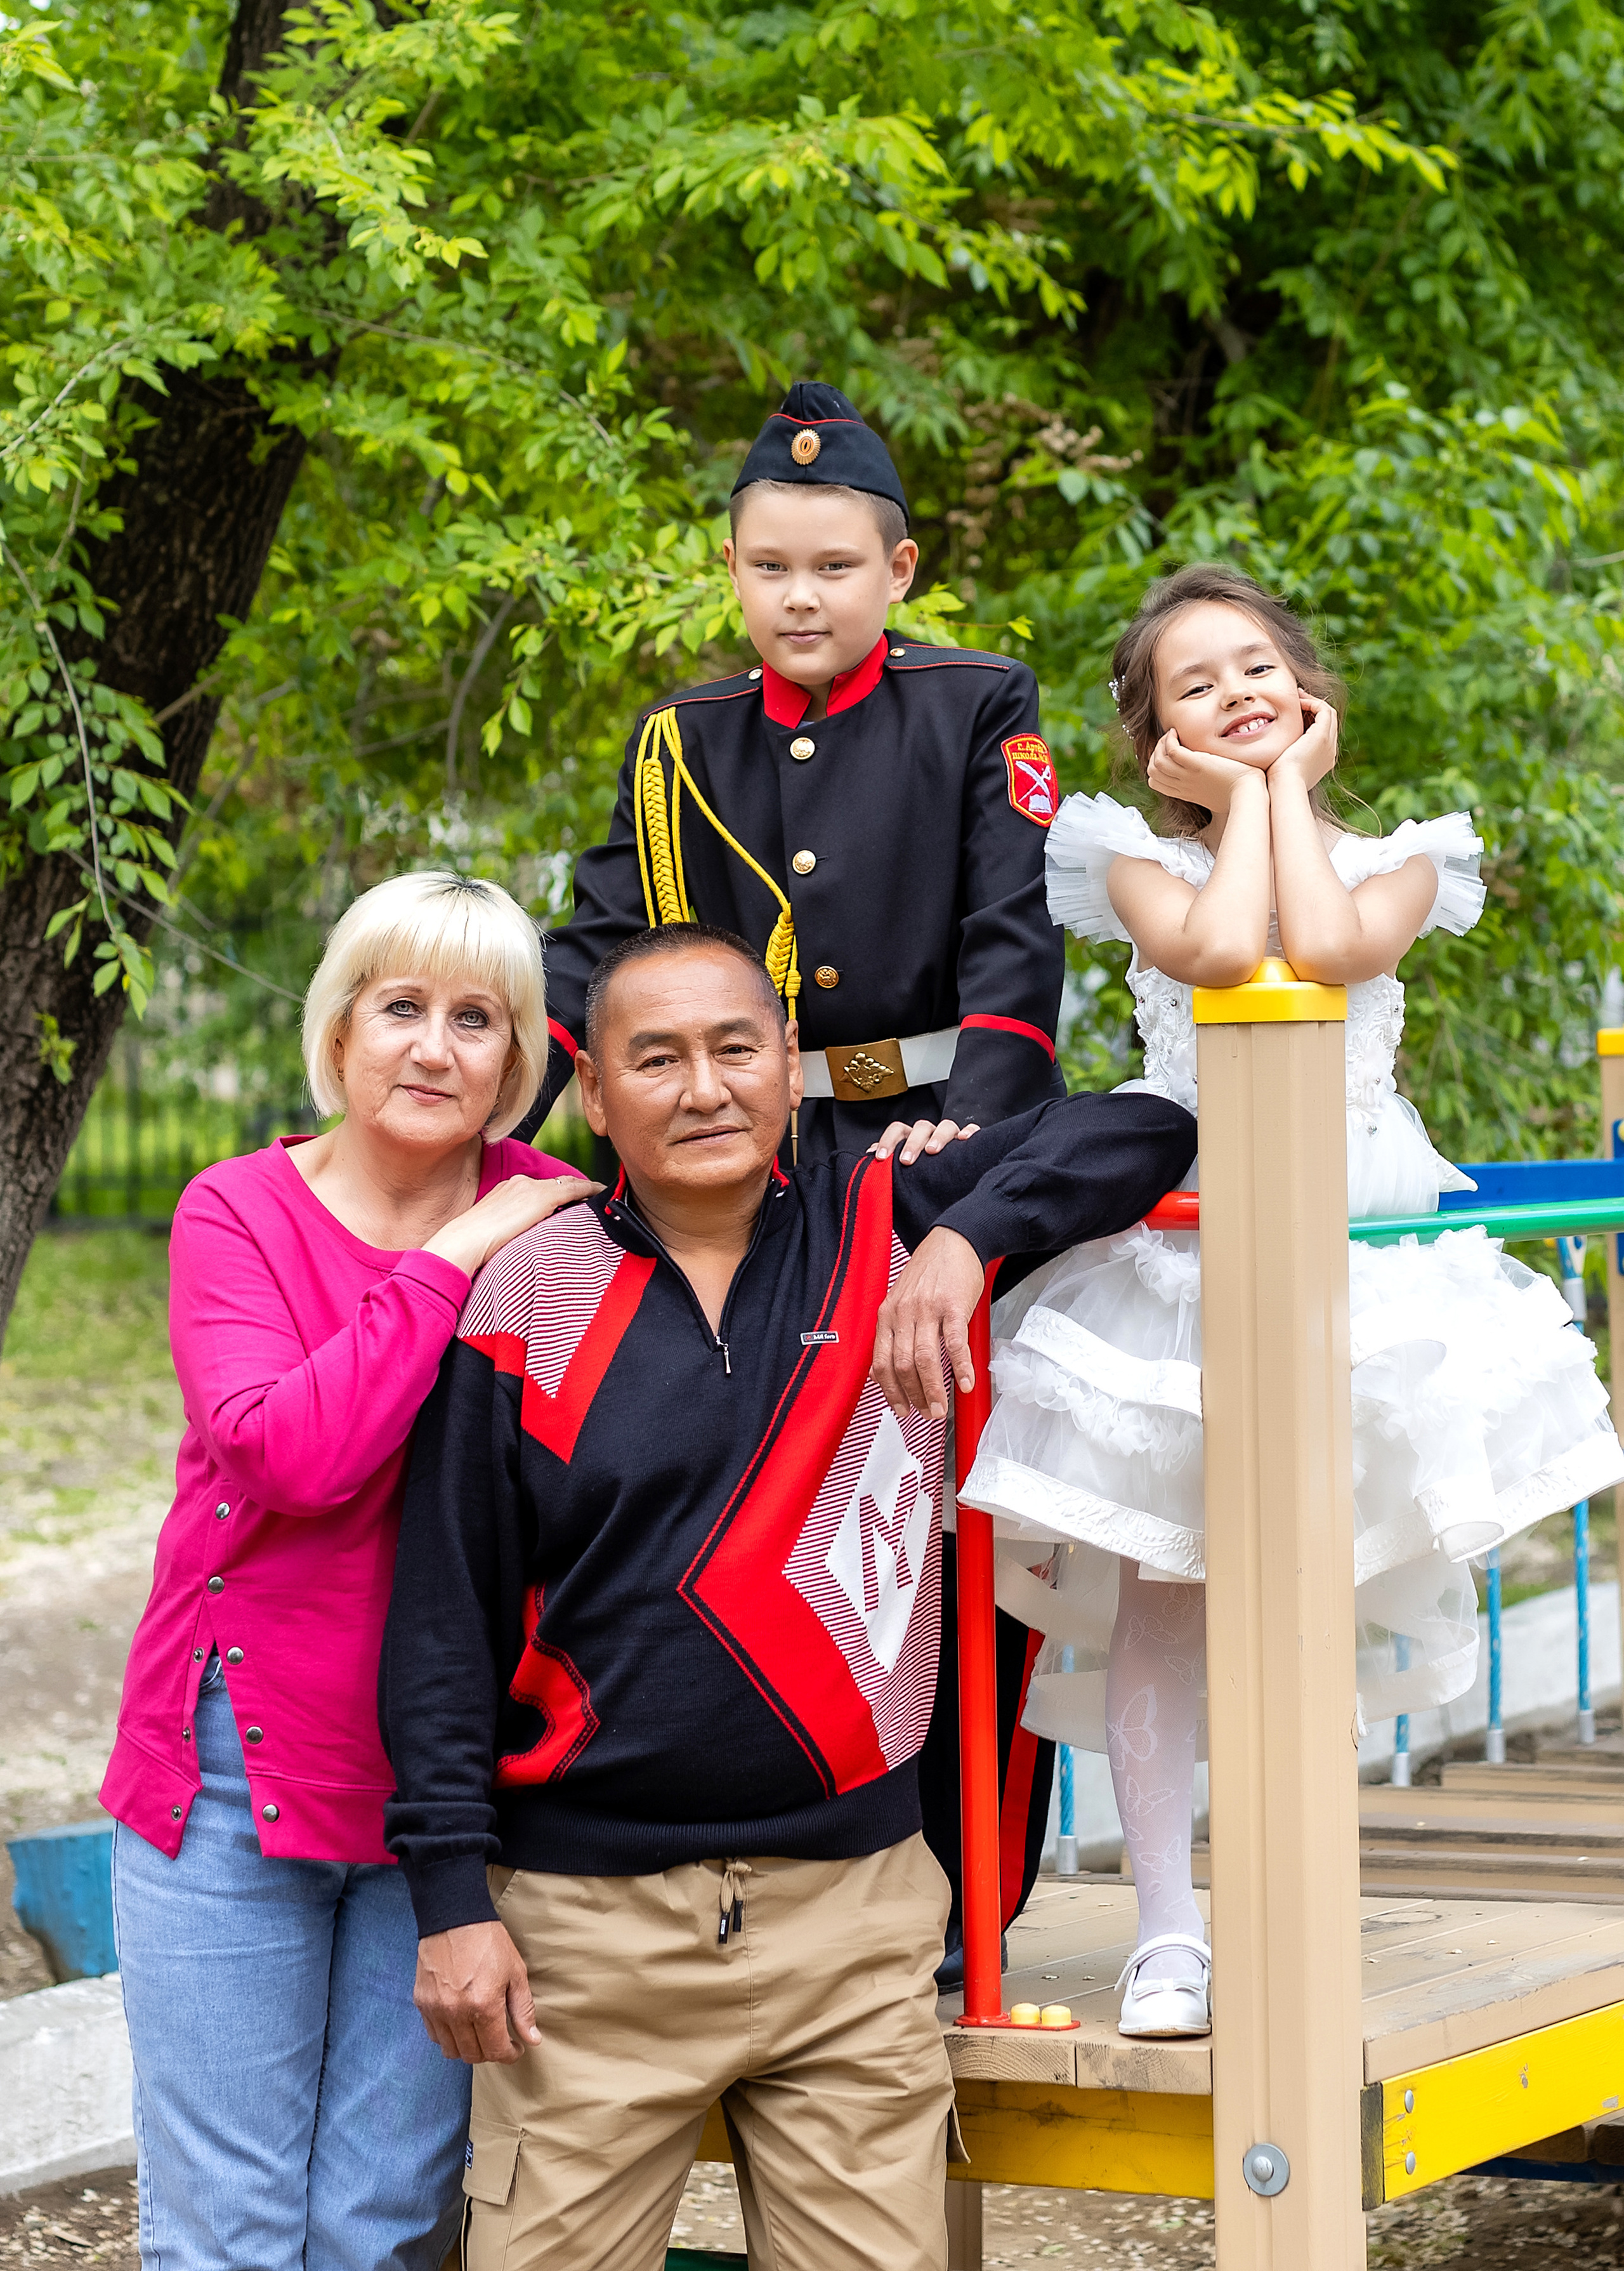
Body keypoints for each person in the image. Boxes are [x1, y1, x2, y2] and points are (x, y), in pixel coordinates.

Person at [379, 920, 1195, 2271]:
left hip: (853, 1917)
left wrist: (965, 1241)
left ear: (788, 1065)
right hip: (586, 1944)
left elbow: (1142, 1128)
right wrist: (451, 1903)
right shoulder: (525, 1294)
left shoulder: (886, 1216)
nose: (702, 1088)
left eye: (734, 1049)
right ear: (594, 1094)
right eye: (656, 1059)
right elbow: (443, 1626)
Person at [958, 562, 1624, 2044]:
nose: (1236, 695)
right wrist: (1251, 803)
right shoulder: (1130, 852)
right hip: (1184, 1263)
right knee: (1167, 1589)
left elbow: (1323, 952)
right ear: (1155, 741)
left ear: (1306, 689)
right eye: (1195, 685)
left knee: (1323, 1571)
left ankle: (1305, 1886)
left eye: (1255, 667)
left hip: (1347, 1256)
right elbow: (1211, 958)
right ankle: (1165, 1928)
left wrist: (1284, 798)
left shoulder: (1398, 856)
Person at [516, 379, 1068, 1964]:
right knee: (733, 1522)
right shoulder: (678, 743)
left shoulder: (973, 705)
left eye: (833, 565)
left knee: (938, 1532)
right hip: (730, 1171)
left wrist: (971, 1144)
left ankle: (968, 1895)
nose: (799, 595)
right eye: (769, 567)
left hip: (922, 1151)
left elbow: (1009, 958)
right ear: (734, 571)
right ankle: (750, 1875)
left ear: (897, 573)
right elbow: (600, 948)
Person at [102, 872, 595, 2271]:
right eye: (401, 1009)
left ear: (518, 1058)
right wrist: (451, 1257)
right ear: (339, 1030)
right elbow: (288, 1459)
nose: (434, 1048)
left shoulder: (561, 1221)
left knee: (385, 2225)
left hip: (444, 1783)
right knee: (230, 2233)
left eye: (476, 1018)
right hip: (229, 1773)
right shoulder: (238, 1212)